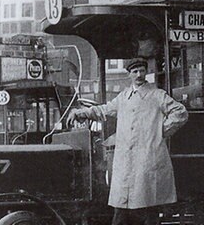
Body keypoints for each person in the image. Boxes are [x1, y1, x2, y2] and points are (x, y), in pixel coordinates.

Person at [67, 57, 188, 225]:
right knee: (121, 208)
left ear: (146, 72)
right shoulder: (123, 97)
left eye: (142, 71)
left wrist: (159, 131)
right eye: (135, 71)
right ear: (129, 75)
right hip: (125, 162)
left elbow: (180, 113)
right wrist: (82, 113)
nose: (139, 75)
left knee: (148, 207)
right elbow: (104, 110)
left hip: (147, 161)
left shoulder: (157, 95)